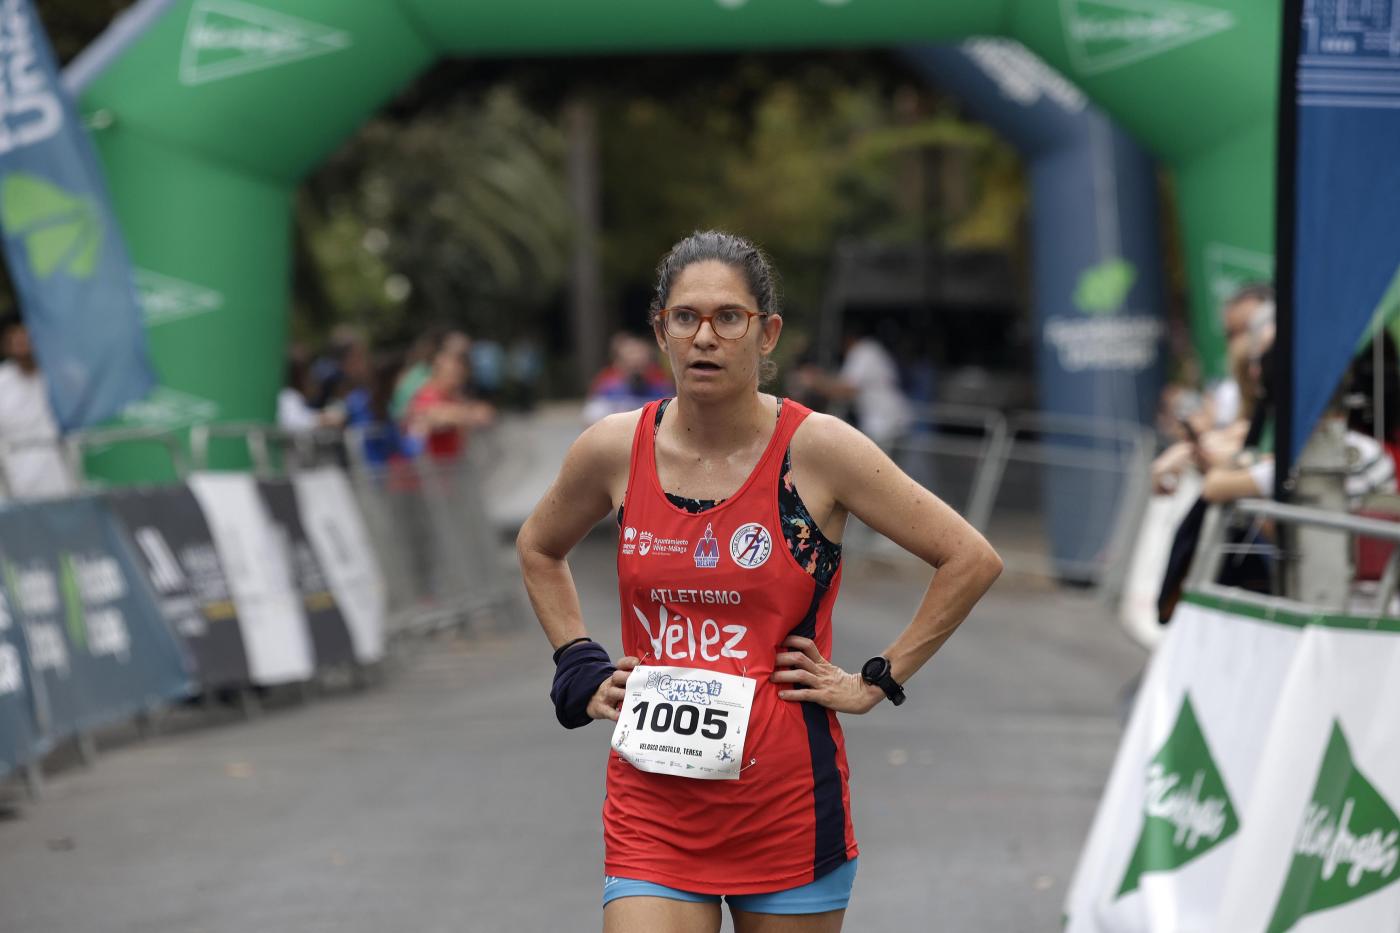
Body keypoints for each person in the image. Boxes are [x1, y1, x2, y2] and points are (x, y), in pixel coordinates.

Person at [515, 231, 1003, 932]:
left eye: (728, 318)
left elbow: (969, 558)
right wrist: (577, 663)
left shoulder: (818, 449)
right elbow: (539, 547)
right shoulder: (616, 448)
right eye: (685, 317)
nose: (704, 337)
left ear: (766, 332)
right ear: (660, 330)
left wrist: (876, 680)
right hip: (653, 806)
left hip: (786, 807)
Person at [0, 313, 77, 500]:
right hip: (15, 487)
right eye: (16, 340)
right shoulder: (2, 382)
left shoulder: (63, 376)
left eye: (27, 338)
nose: (23, 345)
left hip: (63, 481)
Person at [582, 332, 675, 424]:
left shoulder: (662, 390)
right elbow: (592, 420)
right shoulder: (606, 391)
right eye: (630, 362)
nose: (636, 364)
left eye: (640, 362)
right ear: (618, 363)